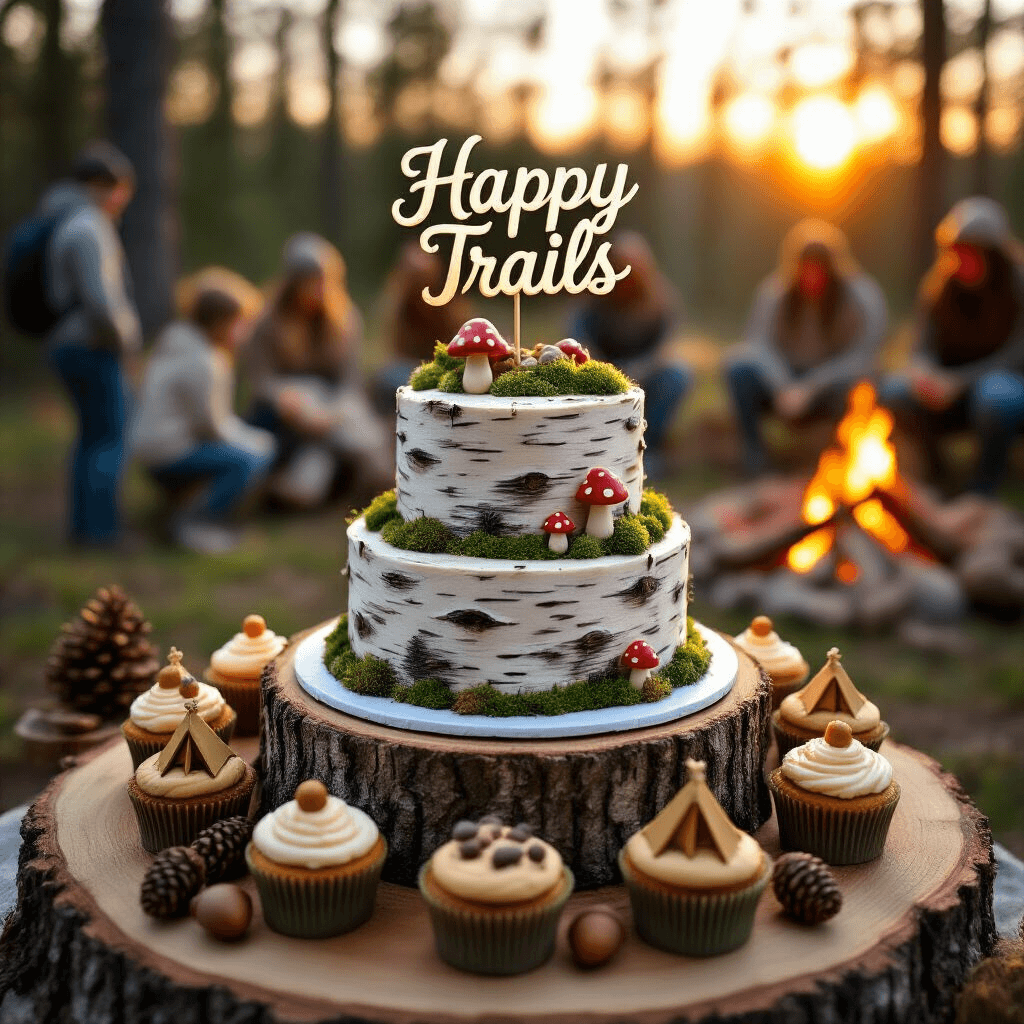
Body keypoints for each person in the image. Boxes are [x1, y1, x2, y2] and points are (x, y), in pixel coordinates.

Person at [880, 197, 1024, 495]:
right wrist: (925, 373)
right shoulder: (939, 288)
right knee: (892, 392)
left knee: (997, 394)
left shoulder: (1017, 285)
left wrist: (959, 381)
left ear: (994, 253)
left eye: (972, 250)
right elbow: (920, 348)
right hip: (946, 392)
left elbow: (1017, 354)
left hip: (1001, 390)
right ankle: (936, 473)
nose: (963, 258)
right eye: (958, 250)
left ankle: (985, 483)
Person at [726, 220, 888, 477]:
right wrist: (783, 386)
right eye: (806, 268)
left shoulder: (861, 296)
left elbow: (864, 356)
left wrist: (811, 387)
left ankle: (838, 459)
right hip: (784, 380)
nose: (812, 276)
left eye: (820, 268)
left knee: (866, 386)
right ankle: (754, 455)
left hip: (831, 383)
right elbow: (756, 345)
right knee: (737, 368)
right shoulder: (775, 292)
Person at [132, 271, 276, 554]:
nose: (242, 333)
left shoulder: (174, 339)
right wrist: (258, 441)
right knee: (252, 458)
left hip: (148, 450)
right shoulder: (205, 361)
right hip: (170, 453)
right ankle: (195, 522)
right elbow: (213, 428)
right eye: (240, 324)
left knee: (245, 449)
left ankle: (177, 512)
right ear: (221, 322)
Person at [41, 141, 141, 546]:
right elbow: (102, 302)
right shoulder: (87, 226)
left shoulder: (65, 219)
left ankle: (85, 530)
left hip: (70, 344)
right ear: (106, 186)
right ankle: (101, 534)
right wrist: (125, 341)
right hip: (92, 346)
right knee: (109, 437)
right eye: (120, 190)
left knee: (90, 437)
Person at [244, 233, 390, 509]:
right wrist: (286, 400)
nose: (318, 288)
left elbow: (350, 379)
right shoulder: (267, 322)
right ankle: (370, 481)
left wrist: (333, 412)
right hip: (293, 405)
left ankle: (309, 488)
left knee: (350, 423)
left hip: (335, 406)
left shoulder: (345, 320)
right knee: (313, 402)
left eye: (324, 280)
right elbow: (262, 380)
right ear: (293, 283)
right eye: (311, 281)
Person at [567, 231, 692, 476]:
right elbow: (577, 339)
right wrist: (604, 368)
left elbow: (666, 348)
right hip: (601, 373)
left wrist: (639, 369)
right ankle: (592, 448)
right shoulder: (592, 299)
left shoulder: (661, 302)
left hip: (646, 375)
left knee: (678, 374)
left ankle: (648, 445)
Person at [373, 240, 470, 414]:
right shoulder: (398, 308)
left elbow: (459, 343)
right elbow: (395, 353)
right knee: (389, 379)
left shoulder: (448, 305)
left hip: (441, 369)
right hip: (407, 370)